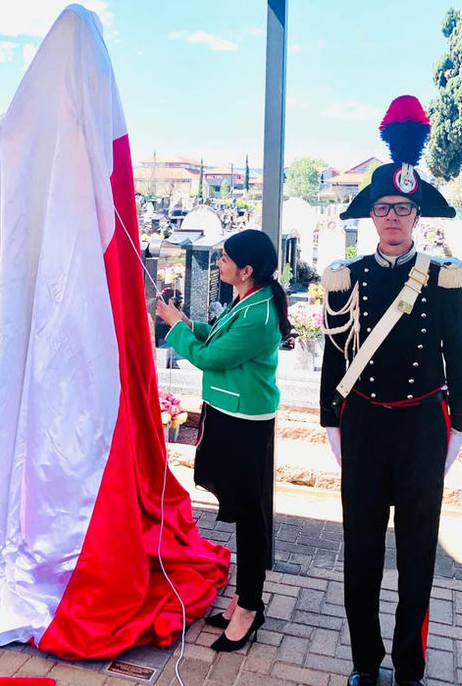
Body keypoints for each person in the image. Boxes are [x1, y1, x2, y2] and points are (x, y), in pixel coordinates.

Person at [320, 96, 462, 686]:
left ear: (416, 216)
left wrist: (459, 425)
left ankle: (409, 666)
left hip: (417, 430)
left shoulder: (443, 278)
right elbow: (336, 355)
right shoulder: (345, 276)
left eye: (401, 208)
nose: (391, 217)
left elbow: (457, 355)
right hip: (363, 427)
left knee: (416, 557)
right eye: (382, 207)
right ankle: (365, 664)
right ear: (371, 215)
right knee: (360, 555)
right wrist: (332, 420)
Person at [156, 229, 291, 653]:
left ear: (247, 270)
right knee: (240, 507)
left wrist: (176, 329)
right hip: (228, 414)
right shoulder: (248, 300)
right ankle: (243, 597)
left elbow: (211, 357)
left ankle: (251, 604)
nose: (220, 264)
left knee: (251, 516)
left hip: (244, 423)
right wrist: (188, 321)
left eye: (226, 259)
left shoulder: (260, 314)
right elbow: (217, 334)